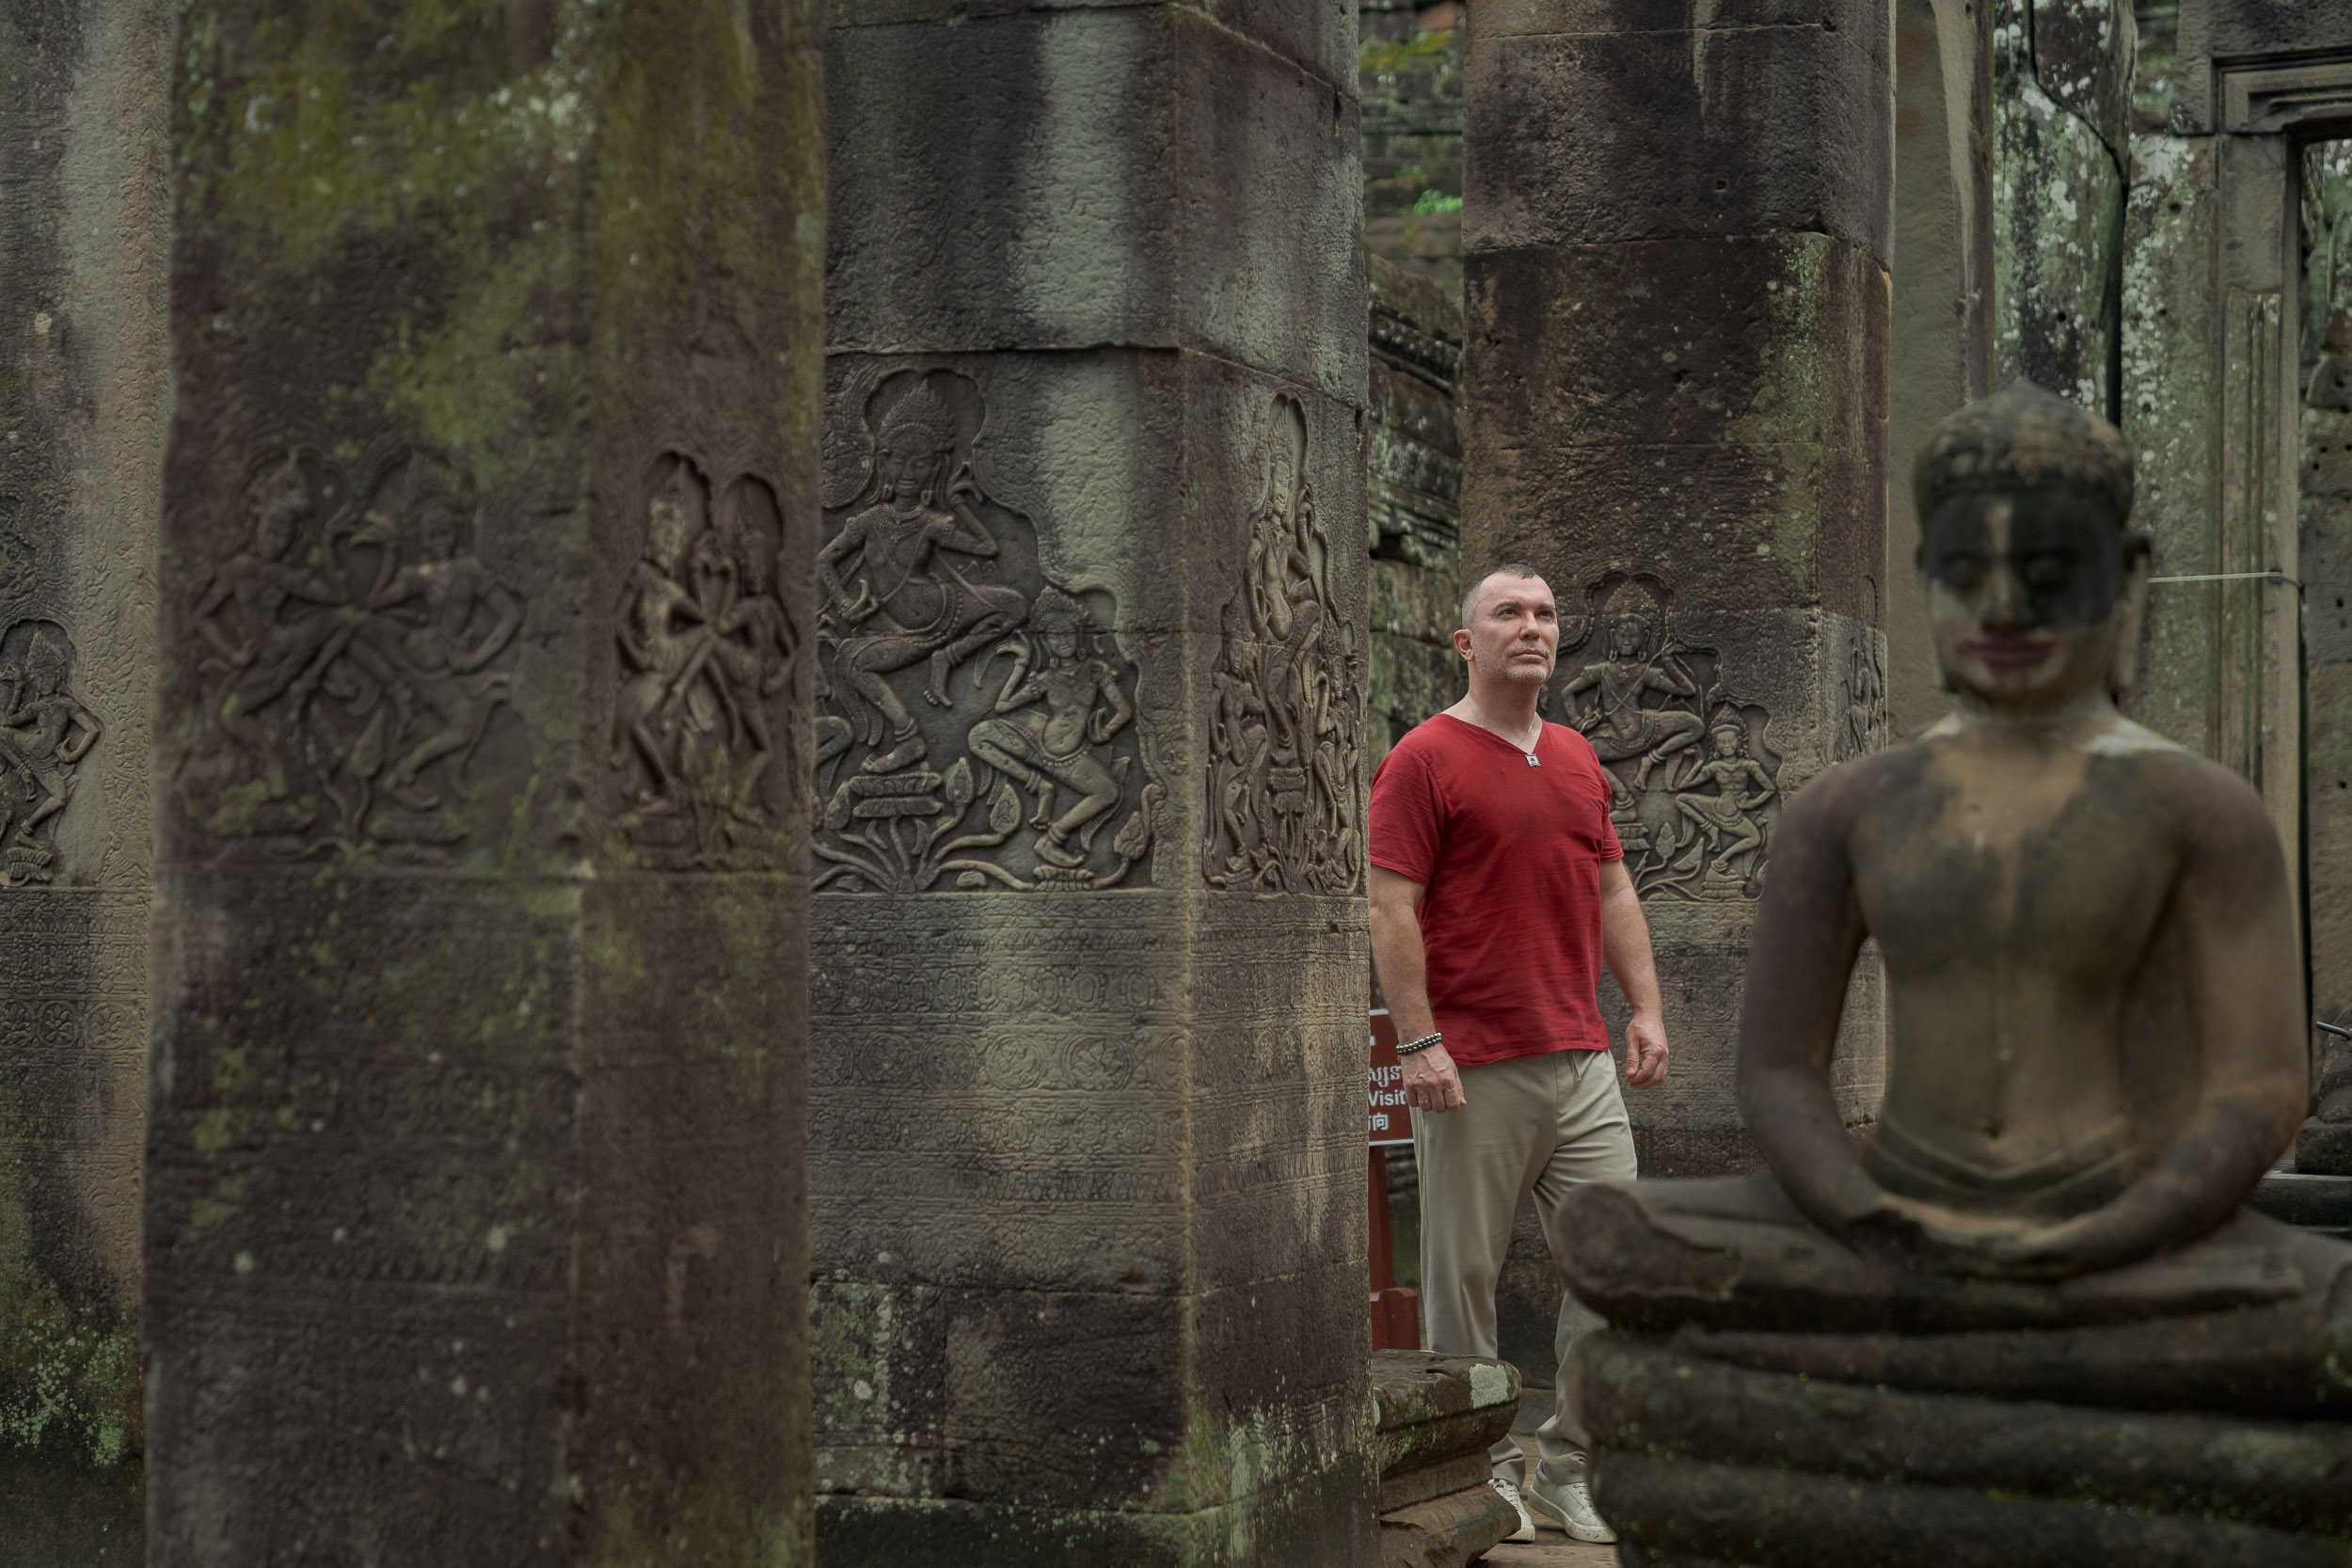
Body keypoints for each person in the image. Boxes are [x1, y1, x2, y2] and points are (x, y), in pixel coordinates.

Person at [1559, 384, 2337, 1426]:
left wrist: (2108, 1233)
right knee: (1615, 1236)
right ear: (1923, 582)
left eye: (2050, 575)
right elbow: (1779, 1073)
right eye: (1966, 576)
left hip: (2126, 1231)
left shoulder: (2199, 810)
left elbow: (2260, 1087)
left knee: (2327, 1306)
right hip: (1894, 1221)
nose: (2004, 607)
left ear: (2129, 580)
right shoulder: (1848, 809)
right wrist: (1869, 1213)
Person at [1368, 563, 1673, 1545]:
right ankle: (1481, 1467)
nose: (1531, 627)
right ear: (1467, 641)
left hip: (1581, 1054)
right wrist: (1418, 1040)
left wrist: (1644, 1009)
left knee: (1613, 1267)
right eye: (1508, 613)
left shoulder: (1578, 757)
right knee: (1463, 1279)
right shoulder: (1422, 757)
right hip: (1473, 1061)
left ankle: (1568, 1465)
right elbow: (1388, 907)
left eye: (1544, 614)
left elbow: (1613, 890)